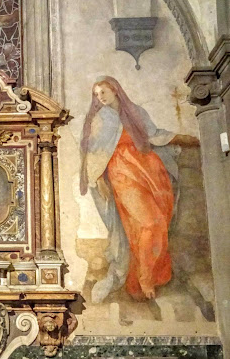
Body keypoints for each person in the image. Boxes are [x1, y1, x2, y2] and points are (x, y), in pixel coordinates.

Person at [80, 76, 198, 301]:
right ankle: (145, 277)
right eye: (96, 94)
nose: (100, 97)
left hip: (148, 168)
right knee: (148, 222)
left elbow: (154, 134)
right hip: (122, 172)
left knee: (158, 221)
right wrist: (99, 180)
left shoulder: (135, 112)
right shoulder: (99, 120)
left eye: (103, 92)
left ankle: (148, 273)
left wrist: (181, 137)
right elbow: (94, 152)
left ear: (115, 90)